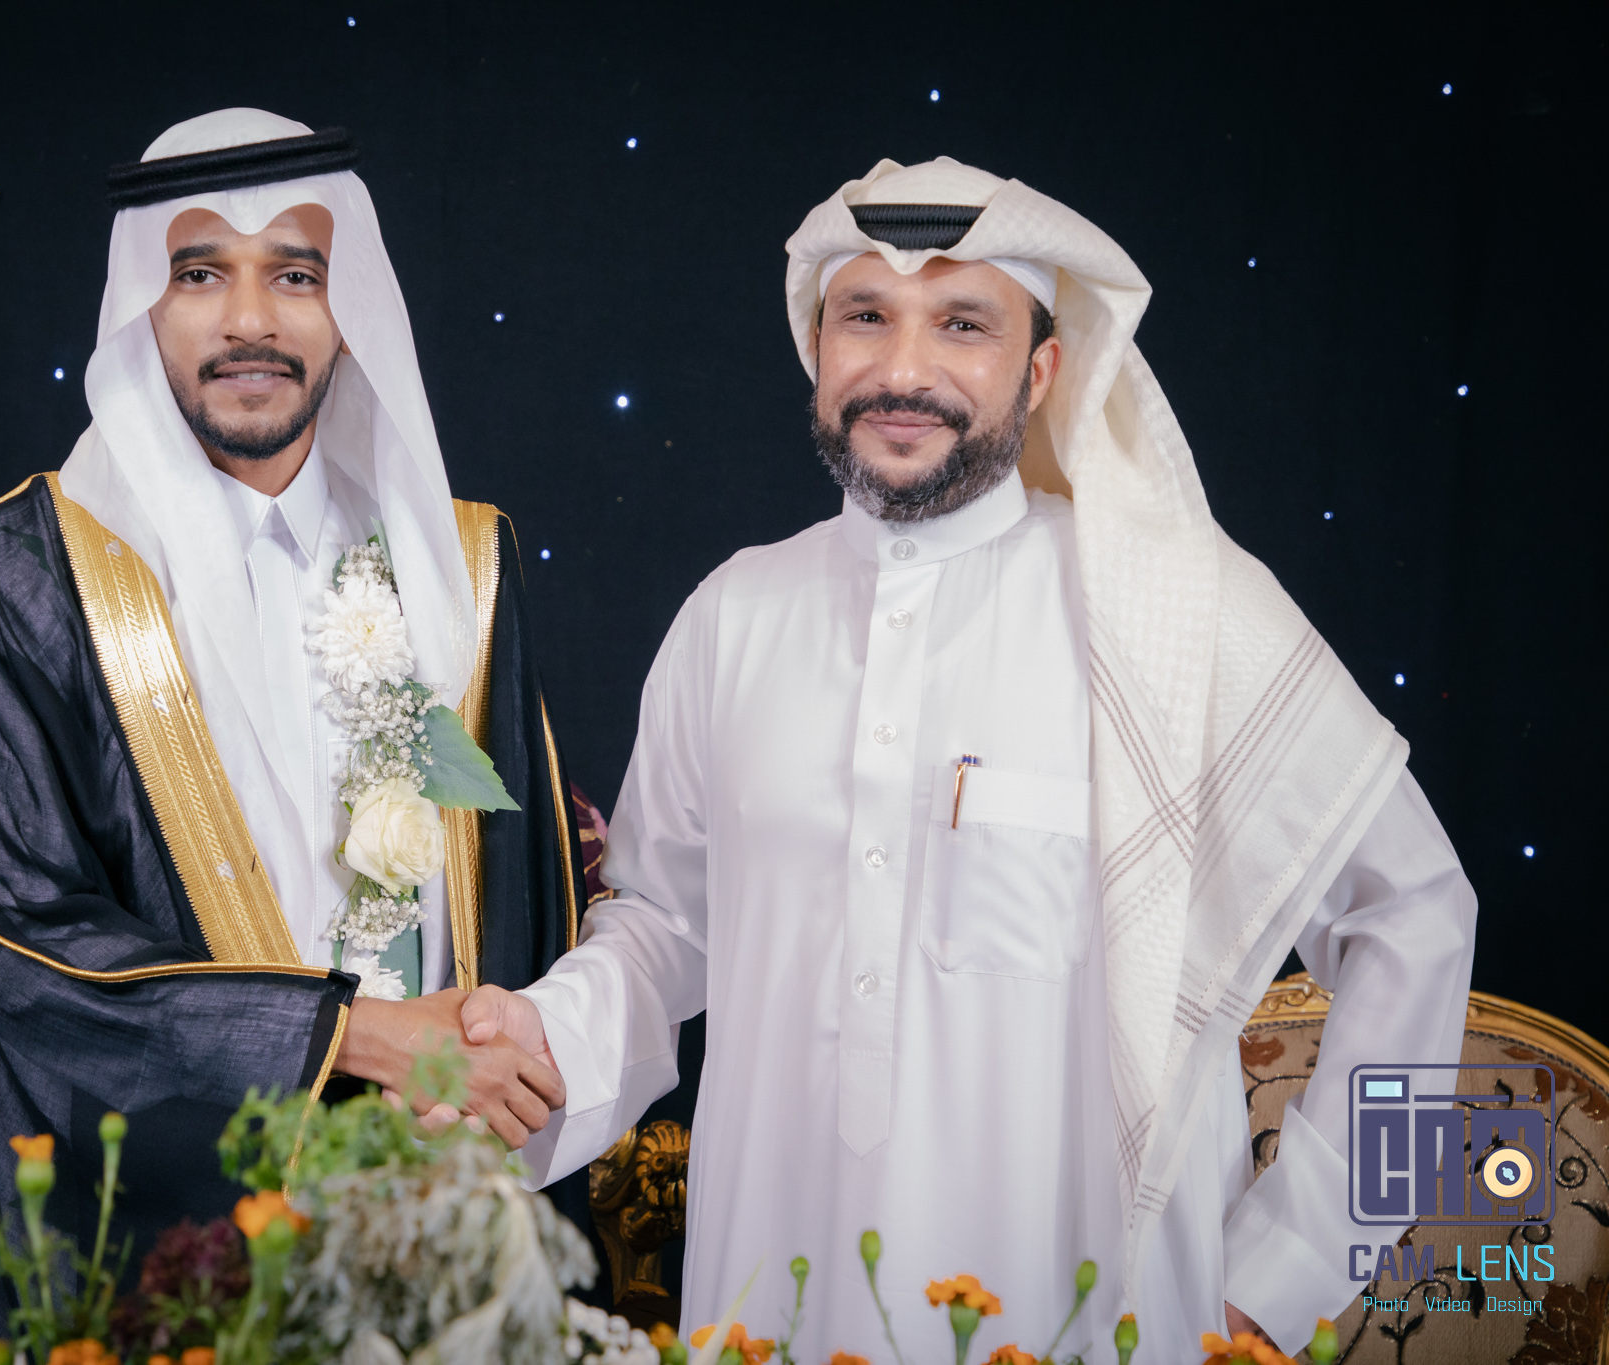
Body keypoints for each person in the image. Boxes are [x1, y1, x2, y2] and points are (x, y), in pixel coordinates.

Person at [461, 157, 1476, 1362]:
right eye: (865, 317)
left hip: (1096, 1316)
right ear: (816, 346)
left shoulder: (1175, 613)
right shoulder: (734, 613)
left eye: (960, 324)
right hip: (773, 1298)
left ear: (1039, 371)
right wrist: (538, 1040)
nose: (903, 370)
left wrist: (1297, 1265)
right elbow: (665, 930)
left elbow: (1418, 911)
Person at [0, 109, 584, 1348]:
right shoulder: (27, 574)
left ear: (348, 306)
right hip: (151, 1238)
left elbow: (517, 898)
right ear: (142, 306)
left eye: (294, 276)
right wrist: (355, 1039)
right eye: (200, 274)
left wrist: (472, 1068)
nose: (250, 320)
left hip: (428, 1211)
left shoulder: (457, 564)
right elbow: (20, 948)